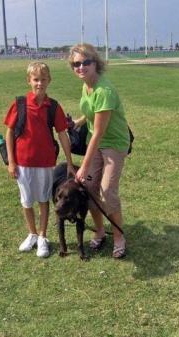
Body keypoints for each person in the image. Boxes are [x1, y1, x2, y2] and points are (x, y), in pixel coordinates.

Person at [4, 61, 76, 258]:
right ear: (29, 81)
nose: (39, 84)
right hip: (22, 163)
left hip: (45, 163)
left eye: (43, 80)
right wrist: (11, 161)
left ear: (49, 81)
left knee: (44, 199)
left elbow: (62, 134)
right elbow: (9, 133)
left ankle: (43, 236)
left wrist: (69, 162)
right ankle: (32, 233)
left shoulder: (53, 106)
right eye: (36, 80)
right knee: (26, 200)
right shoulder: (19, 104)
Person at [69, 43, 130, 259]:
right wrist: (79, 120)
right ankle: (101, 231)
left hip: (113, 143)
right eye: (76, 63)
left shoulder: (104, 90)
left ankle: (119, 236)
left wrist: (83, 166)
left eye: (86, 62)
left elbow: (99, 133)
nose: (81, 67)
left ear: (96, 63)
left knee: (107, 190)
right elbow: (91, 111)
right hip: (95, 140)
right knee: (89, 188)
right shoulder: (86, 85)